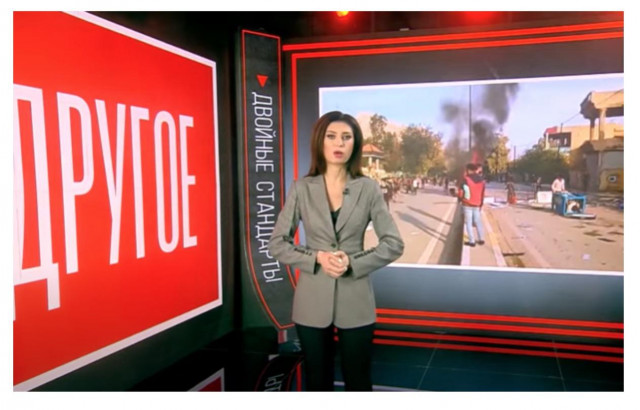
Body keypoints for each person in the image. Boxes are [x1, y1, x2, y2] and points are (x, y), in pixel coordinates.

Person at [268, 111, 404, 391]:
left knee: (358, 381)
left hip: (356, 299)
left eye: (346, 137)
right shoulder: (302, 188)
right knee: (317, 382)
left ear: (355, 144)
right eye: (331, 136)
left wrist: (352, 262)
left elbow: (393, 243)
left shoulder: (368, 189)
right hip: (311, 300)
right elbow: (277, 243)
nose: (339, 143)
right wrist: (317, 258)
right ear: (320, 141)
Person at [458, 163, 486, 247]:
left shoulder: (465, 179)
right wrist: (481, 204)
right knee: (478, 221)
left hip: (467, 204)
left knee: (469, 223)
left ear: (468, 170)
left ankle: (472, 241)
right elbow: (483, 193)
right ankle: (481, 239)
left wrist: (460, 199)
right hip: (477, 204)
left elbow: (461, 192)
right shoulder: (482, 180)